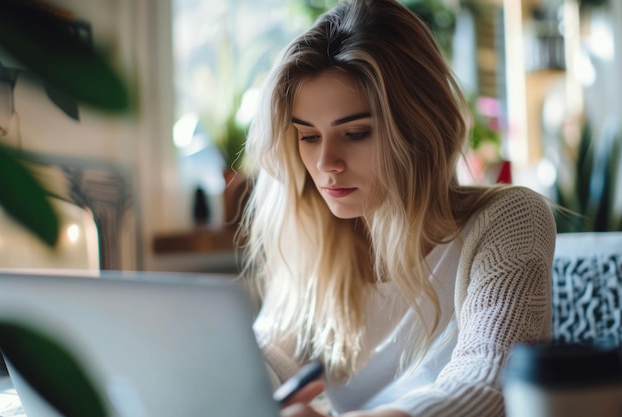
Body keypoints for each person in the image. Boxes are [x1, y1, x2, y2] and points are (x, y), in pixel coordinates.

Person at [237, 0, 557, 416]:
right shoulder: (318, 241)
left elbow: (489, 383)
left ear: (419, 128)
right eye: (309, 137)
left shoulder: (509, 220)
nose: (325, 164)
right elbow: (270, 355)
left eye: (355, 133)